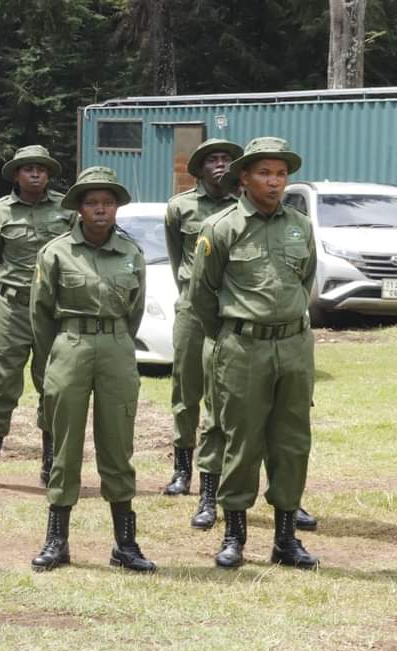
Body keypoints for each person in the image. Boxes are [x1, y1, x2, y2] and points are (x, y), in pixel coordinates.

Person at [188, 136, 320, 570]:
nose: (274, 182)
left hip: (294, 347)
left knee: (292, 441)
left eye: (281, 174)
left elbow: (306, 281)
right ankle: (234, 535)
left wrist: (288, 325)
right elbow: (203, 296)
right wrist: (234, 334)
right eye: (264, 173)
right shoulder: (221, 228)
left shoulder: (300, 225)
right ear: (243, 178)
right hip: (242, 348)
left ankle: (285, 539)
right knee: (240, 442)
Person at [29, 166, 154, 573]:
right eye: (92, 202)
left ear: (116, 208)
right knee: (64, 446)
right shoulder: (56, 252)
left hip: (117, 346)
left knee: (118, 443)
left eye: (108, 202)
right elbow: (41, 313)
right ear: (79, 208)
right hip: (70, 345)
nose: (101, 209)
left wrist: (115, 339)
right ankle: (56, 541)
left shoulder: (131, 253)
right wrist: (58, 356)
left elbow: (134, 310)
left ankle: (125, 543)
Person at [0, 145, 74, 491]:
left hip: (53, 311)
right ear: (16, 174)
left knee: (53, 384)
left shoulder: (66, 211)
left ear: (48, 174)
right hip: (12, 308)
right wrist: (6, 296)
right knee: (0, 382)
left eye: (41, 169)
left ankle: (50, 463)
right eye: (27, 168)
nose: (34, 174)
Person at [163, 139, 242, 525]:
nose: (221, 165)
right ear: (199, 168)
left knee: (222, 394)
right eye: (213, 159)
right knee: (186, 388)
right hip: (193, 309)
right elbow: (178, 258)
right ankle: (182, 468)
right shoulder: (180, 208)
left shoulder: (242, 206)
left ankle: (221, 471)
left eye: (227, 159)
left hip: (231, 310)